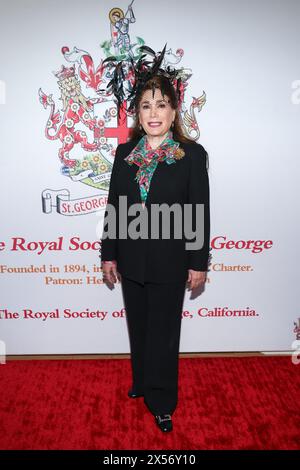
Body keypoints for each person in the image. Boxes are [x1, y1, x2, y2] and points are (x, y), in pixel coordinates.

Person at [100, 46, 211, 433]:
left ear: (174, 111)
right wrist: (108, 254)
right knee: (140, 325)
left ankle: (162, 400)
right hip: (130, 257)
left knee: (164, 333)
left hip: (170, 260)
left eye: (161, 105)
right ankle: (142, 381)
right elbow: (114, 205)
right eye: (146, 106)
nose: (153, 113)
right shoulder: (125, 153)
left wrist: (198, 262)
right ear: (139, 113)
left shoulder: (191, 156)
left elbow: (199, 210)